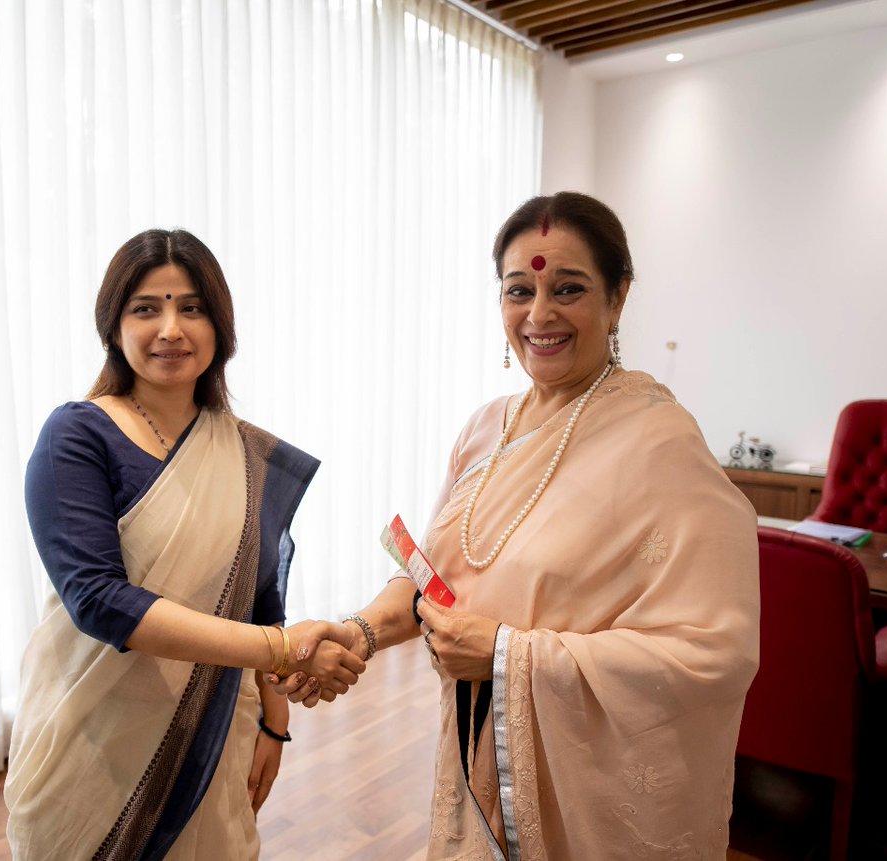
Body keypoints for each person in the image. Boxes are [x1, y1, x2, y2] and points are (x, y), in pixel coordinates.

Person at [275, 193, 761, 859]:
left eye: (568, 288)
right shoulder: (485, 427)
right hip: (477, 755)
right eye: (518, 290)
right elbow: (430, 576)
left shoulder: (658, 442)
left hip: (580, 805)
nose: (539, 314)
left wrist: (505, 652)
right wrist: (357, 631)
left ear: (617, 298)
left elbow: (716, 651)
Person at [5, 229, 364, 859]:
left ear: (220, 326)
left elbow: (259, 596)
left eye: (192, 307)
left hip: (215, 737)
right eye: (146, 308)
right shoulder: (76, 436)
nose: (171, 327)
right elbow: (98, 600)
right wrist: (285, 648)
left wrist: (274, 722)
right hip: (92, 745)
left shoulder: (247, 452)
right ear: (113, 325)